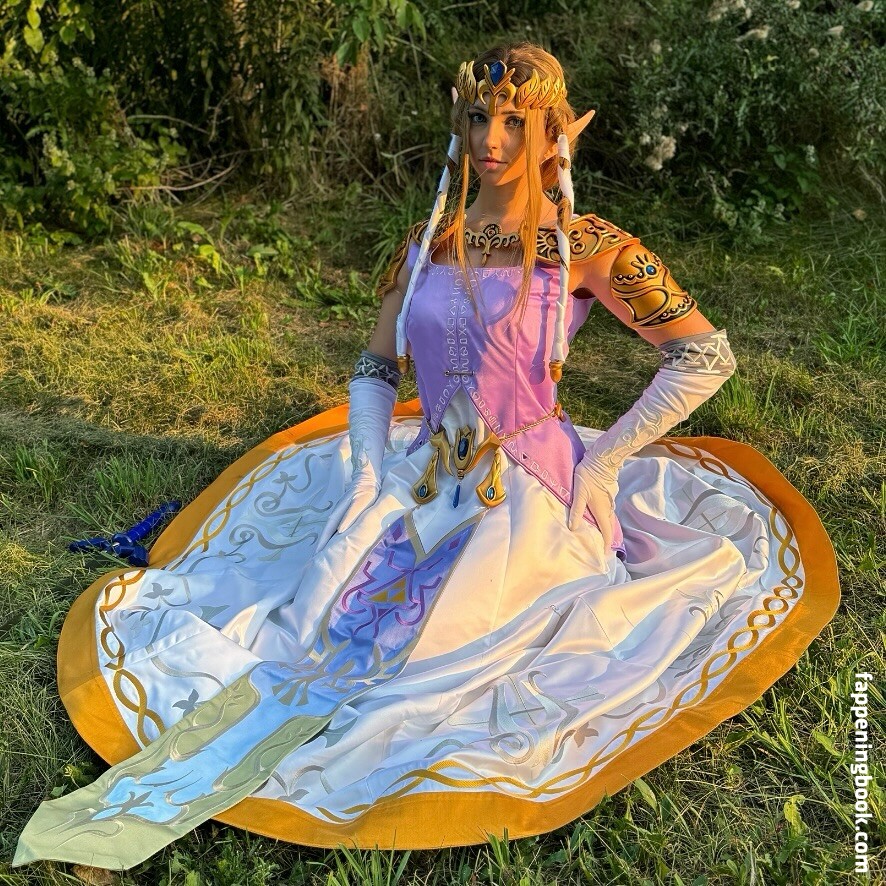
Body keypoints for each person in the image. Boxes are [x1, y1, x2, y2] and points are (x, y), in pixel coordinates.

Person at [14, 42, 838, 871]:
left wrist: (604, 462)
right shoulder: (428, 241)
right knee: (317, 622)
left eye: (515, 122)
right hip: (424, 472)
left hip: (531, 490)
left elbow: (703, 355)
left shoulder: (589, 245)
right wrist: (369, 472)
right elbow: (376, 368)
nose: (493, 140)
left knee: (442, 657)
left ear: (556, 134)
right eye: (479, 118)